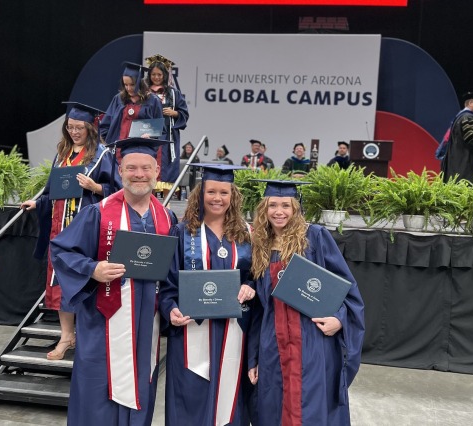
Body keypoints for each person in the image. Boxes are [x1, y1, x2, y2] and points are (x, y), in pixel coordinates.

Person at [50, 138, 177, 426]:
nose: (139, 174)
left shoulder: (167, 218)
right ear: (120, 171)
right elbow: (61, 249)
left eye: (146, 168)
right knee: (97, 389)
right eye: (131, 168)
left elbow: (172, 274)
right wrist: (92, 268)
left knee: (141, 385)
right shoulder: (98, 212)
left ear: (157, 171)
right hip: (103, 321)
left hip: (147, 324)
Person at [247, 180, 365, 425]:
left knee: (310, 407)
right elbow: (259, 309)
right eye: (273, 205)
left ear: (296, 208)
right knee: (274, 408)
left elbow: (345, 288)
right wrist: (253, 357)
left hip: (311, 342)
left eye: (286, 206)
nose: (279, 212)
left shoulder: (314, 237)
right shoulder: (259, 245)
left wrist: (339, 319)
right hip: (272, 344)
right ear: (264, 209)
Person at [20, 102, 121, 361]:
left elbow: (118, 192)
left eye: (79, 127)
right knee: (60, 282)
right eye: (70, 127)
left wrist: (95, 186)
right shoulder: (63, 153)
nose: (74, 131)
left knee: (82, 280)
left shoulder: (102, 154)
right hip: (59, 227)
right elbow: (53, 189)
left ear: (90, 128)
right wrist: (37, 202)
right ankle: (66, 336)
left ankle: (87, 338)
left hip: (84, 228)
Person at [159, 163, 256, 426]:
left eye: (224, 193)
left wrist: (251, 287)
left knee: (229, 394)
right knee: (190, 393)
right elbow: (168, 284)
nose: (217, 198)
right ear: (200, 194)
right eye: (211, 191)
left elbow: (256, 276)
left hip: (233, 329)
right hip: (192, 327)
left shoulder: (246, 234)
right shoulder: (182, 232)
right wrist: (170, 309)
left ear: (233, 197)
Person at [145, 54, 189, 196]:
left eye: (159, 74)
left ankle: (166, 206)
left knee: (167, 170)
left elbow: (184, 113)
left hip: (168, 136)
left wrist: (174, 113)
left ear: (165, 75)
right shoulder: (144, 92)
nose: (156, 77)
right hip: (149, 135)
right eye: (153, 74)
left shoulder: (173, 93)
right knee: (148, 168)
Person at [100, 62, 163, 144]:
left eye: (132, 84)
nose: (128, 88)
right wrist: (109, 142)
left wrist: (151, 136)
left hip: (143, 148)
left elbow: (159, 129)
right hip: (119, 148)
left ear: (140, 83)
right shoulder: (119, 99)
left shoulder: (153, 100)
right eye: (126, 85)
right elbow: (106, 125)